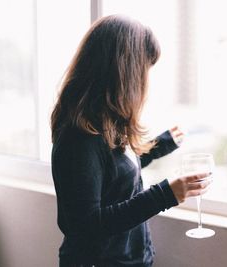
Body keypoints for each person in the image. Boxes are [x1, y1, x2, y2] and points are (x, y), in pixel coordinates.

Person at [50, 15, 211, 267]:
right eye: (144, 70)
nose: (146, 81)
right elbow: (87, 225)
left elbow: (113, 179)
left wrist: (161, 145)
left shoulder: (106, 122)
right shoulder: (78, 138)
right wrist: (165, 194)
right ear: (123, 73)